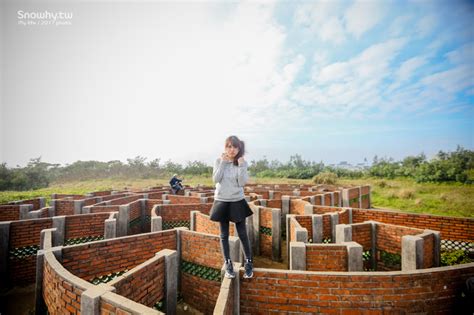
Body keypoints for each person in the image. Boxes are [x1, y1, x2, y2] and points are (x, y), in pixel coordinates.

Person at [209, 135, 254, 279]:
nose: (232, 150)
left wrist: (241, 166)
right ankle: (228, 263)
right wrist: (222, 162)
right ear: (225, 148)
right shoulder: (218, 161)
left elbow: (242, 183)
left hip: (237, 200)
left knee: (242, 233)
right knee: (224, 235)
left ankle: (248, 262)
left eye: (235, 147)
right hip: (222, 200)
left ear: (239, 148)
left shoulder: (242, 163)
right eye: (229, 146)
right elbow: (216, 179)